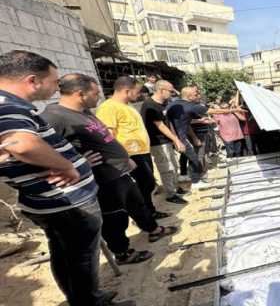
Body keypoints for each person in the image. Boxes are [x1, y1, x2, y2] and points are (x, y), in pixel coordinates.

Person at [0, 50, 134, 306]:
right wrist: (68, 166)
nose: (56, 88)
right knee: (80, 258)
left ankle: (85, 298)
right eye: (54, 82)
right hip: (66, 202)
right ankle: (89, 302)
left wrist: (76, 161)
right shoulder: (6, 105)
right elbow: (21, 144)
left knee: (66, 255)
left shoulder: (12, 106)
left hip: (55, 201)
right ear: (32, 81)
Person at [42, 73, 177, 264]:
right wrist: (75, 162)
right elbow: (41, 150)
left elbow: (106, 136)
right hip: (103, 178)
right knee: (115, 218)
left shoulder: (84, 111)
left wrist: (124, 157)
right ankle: (123, 252)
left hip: (119, 170)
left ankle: (153, 230)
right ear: (80, 93)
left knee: (137, 203)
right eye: (96, 93)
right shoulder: (54, 117)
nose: (99, 96)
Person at [96, 76, 170, 219]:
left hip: (141, 152)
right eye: (137, 91)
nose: (139, 94)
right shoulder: (108, 108)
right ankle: (145, 217)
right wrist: (122, 158)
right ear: (127, 90)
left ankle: (150, 211)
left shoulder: (126, 106)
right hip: (130, 155)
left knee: (147, 184)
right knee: (141, 187)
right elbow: (108, 135)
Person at [140, 80, 189, 204]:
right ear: (161, 90)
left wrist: (174, 139)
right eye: (170, 91)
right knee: (166, 168)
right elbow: (160, 125)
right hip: (158, 143)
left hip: (166, 140)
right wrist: (176, 140)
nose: (172, 94)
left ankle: (175, 187)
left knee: (174, 165)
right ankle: (171, 194)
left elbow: (167, 123)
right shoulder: (150, 105)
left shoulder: (163, 103)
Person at [166, 86, 213, 188]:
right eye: (196, 94)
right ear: (189, 96)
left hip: (181, 137)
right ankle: (195, 181)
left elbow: (185, 123)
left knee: (191, 157)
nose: (198, 95)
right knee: (195, 158)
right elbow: (214, 111)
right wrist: (233, 109)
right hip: (178, 138)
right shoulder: (188, 106)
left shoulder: (177, 104)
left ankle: (189, 177)